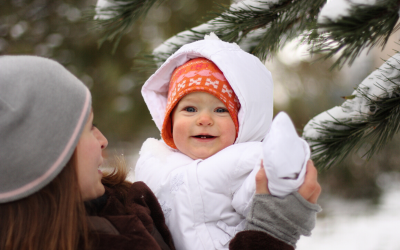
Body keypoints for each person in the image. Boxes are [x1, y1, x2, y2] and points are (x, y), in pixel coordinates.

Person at [0, 55, 320, 250]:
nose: (103, 140)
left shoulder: (122, 204)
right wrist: (274, 230)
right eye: (88, 128)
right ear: (43, 155)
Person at [135, 34, 321, 250]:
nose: (204, 120)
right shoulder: (153, 159)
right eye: (190, 109)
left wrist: (284, 168)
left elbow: (263, 191)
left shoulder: (241, 159)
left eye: (221, 110)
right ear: (169, 118)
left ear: (240, 122)